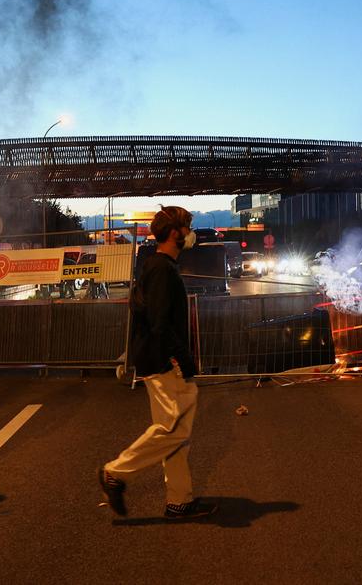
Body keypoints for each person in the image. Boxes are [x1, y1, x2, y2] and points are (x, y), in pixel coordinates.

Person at [97, 206, 218, 519]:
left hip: (156, 359)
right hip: (165, 361)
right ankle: (116, 472)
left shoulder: (152, 264)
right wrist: (182, 360)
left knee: (175, 431)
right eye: (187, 228)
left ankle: (179, 500)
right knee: (173, 429)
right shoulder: (163, 270)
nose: (190, 234)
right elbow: (161, 323)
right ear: (175, 233)